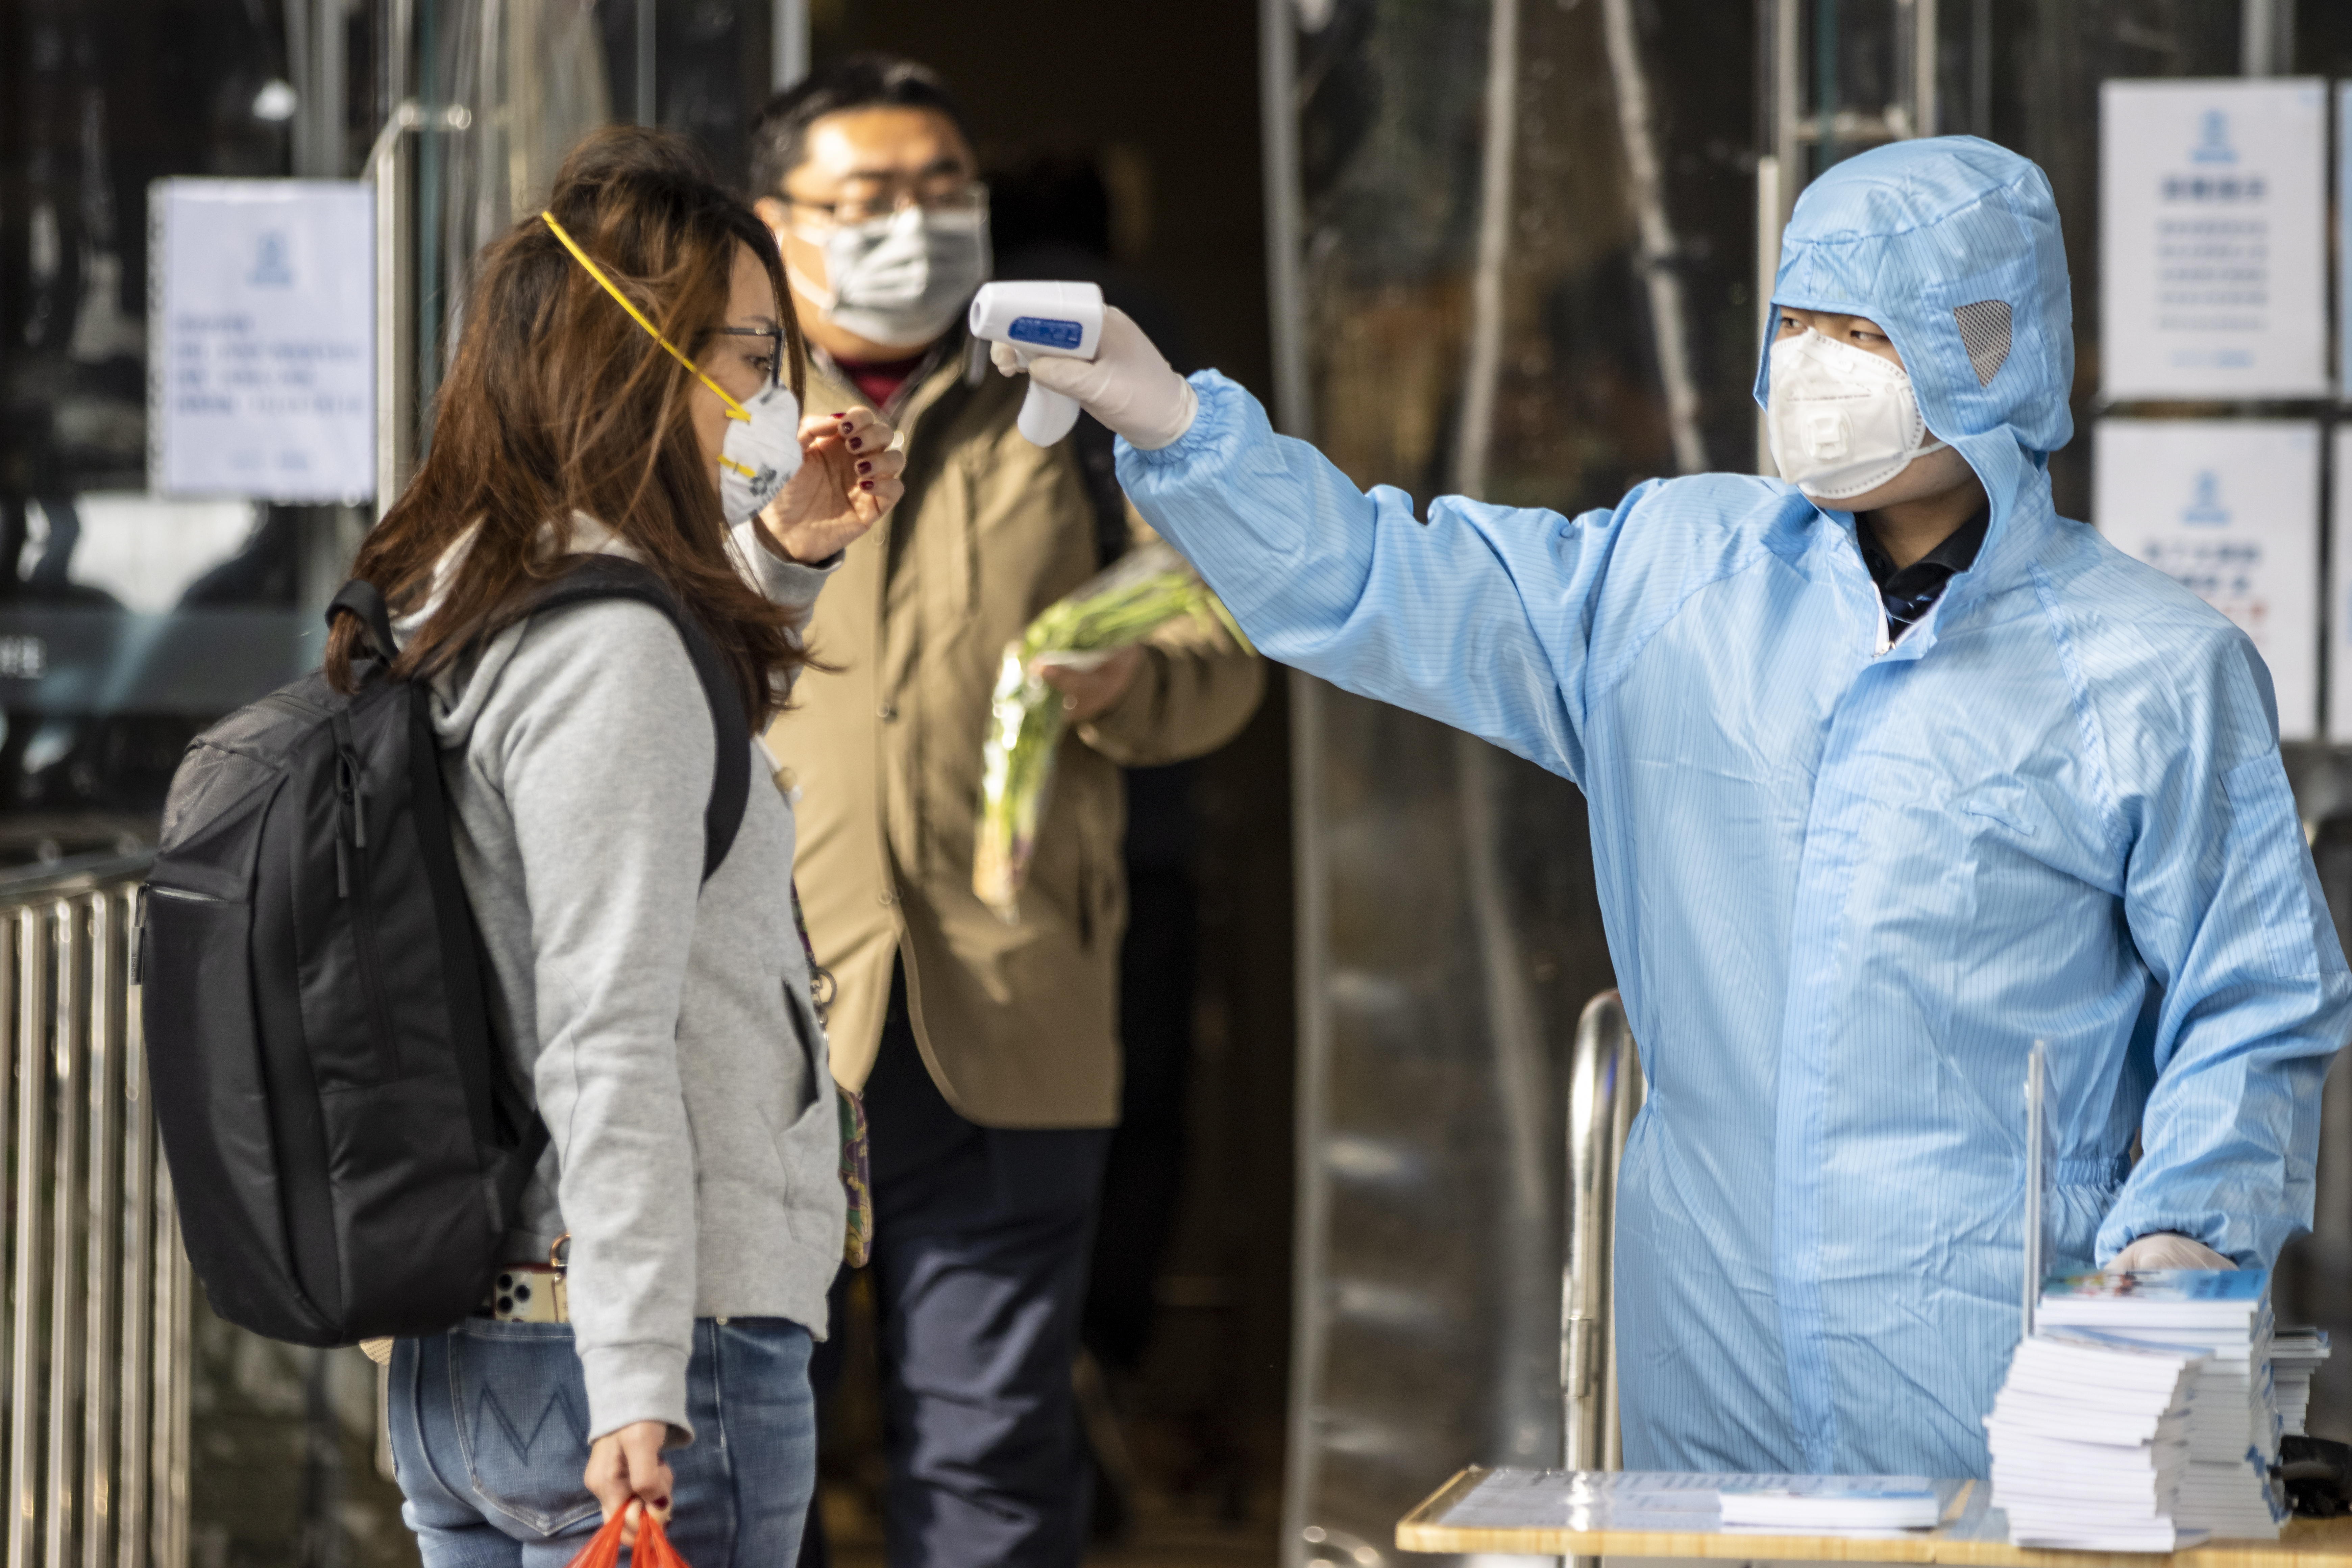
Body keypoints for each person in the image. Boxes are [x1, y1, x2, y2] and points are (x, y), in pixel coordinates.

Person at [998, 134, 2352, 1477]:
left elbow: (2255, 993)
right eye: (1801, 318)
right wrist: (1177, 424)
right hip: (1712, 1360)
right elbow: (1373, 579)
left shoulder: (2149, 664)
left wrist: (2183, 1233)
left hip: (2014, 1372)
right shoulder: (1673, 578)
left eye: (1867, 327)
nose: (1819, 364)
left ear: (1993, 345)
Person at [332, 126, 905, 1564]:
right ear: (644, 357)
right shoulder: (612, 648)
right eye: (757, 352)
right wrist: (643, 1372)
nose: (779, 394)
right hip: (643, 1363)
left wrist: (783, 556)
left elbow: (646, 784)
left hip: (470, 1356)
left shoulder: (463, 587)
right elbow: (605, 1030)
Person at [744, 55, 1263, 1568]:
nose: (913, 225)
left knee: (991, 1466)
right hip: (764, 1005)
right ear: (779, 224)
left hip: (1013, 982)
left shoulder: (1083, 383)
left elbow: (1219, 645)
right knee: (752, 1449)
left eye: (941, 194)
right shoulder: (712, 407)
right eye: (867, 199)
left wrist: (1125, 684)